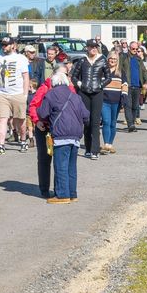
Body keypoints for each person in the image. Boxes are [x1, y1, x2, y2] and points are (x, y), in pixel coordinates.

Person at [37, 70, 90, 203]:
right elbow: (86, 115)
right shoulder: (75, 96)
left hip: (61, 135)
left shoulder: (51, 95)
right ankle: (72, 194)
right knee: (72, 167)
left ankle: (62, 195)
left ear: (54, 83)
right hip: (76, 136)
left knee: (60, 165)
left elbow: (43, 113)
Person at [28, 52, 72, 198]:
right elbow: (33, 105)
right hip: (44, 127)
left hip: (60, 129)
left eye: (65, 73)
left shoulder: (69, 87)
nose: (62, 77)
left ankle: (59, 190)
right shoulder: (45, 87)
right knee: (44, 159)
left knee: (60, 162)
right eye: (60, 73)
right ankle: (44, 189)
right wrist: (37, 121)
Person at [0, 36, 30, 155]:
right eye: (3, 45)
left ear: (13, 45)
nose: (4, 47)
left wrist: (25, 94)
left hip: (17, 93)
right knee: (3, 119)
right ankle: (1, 145)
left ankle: (23, 141)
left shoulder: (21, 58)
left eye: (6, 45)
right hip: (1, 94)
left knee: (20, 120)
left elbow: (25, 77)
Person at [71, 39, 107, 159]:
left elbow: (109, 77)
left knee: (95, 122)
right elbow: (74, 77)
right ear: (87, 48)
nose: (93, 49)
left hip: (97, 93)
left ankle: (95, 150)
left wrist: (101, 85)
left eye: (95, 47)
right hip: (84, 93)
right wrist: (80, 84)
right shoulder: (82, 60)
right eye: (91, 47)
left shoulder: (102, 60)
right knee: (86, 121)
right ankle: (87, 147)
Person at [119, 40, 147, 132]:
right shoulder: (123, 57)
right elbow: (119, 69)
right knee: (128, 105)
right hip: (127, 85)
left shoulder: (139, 59)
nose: (135, 50)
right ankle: (130, 124)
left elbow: (144, 71)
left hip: (137, 85)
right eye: (133, 48)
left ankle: (132, 123)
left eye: (136, 49)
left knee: (135, 106)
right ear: (129, 48)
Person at [100, 53, 125, 154]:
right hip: (104, 101)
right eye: (111, 58)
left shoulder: (121, 72)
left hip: (116, 101)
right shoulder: (102, 71)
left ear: (117, 60)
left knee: (113, 123)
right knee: (106, 121)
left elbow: (125, 85)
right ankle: (106, 144)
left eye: (115, 59)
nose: (113, 60)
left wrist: (124, 98)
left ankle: (110, 144)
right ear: (108, 59)